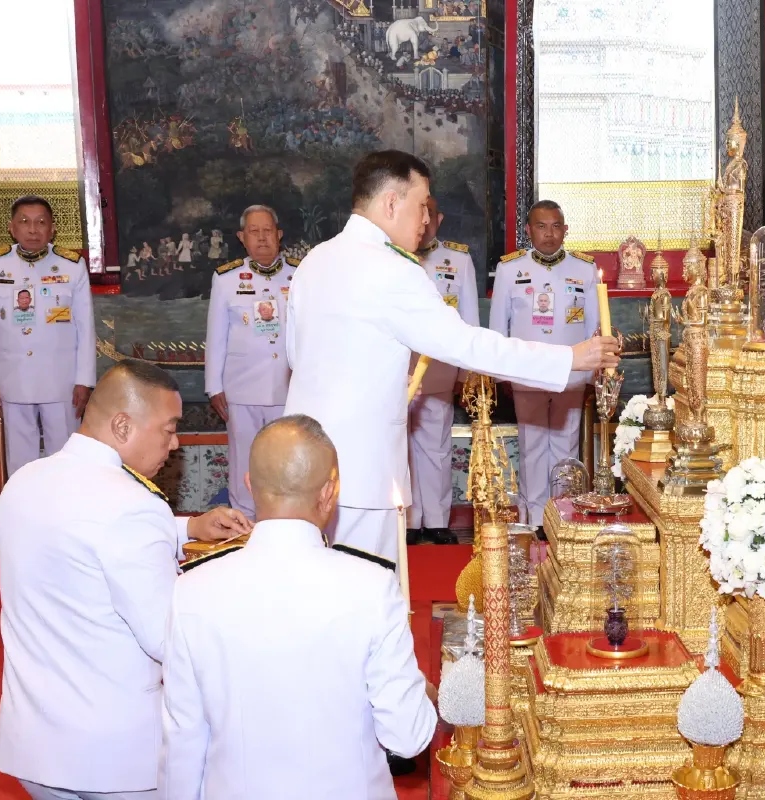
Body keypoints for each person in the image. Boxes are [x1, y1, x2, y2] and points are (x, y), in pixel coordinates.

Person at [285, 149, 619, 563]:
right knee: (368, 592)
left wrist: (388, 376)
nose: (426, 220)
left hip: (305, 466)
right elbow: (468, 345)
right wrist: (570, 358)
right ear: (392, 202)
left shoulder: (314, 261)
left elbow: (300, 357)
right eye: (422, 205)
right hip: (364, 472)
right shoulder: (393, 269)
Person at [0, 361, 252, 800]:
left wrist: (187, 527)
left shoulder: (25, 481)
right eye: (168, 429)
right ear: (123, 425)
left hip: (35, 751)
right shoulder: (131, 505)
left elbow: (81, 535)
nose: (176, 443)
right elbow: (169, 639)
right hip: (116, 763)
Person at [160, 415, 436, 799]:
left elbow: (183, 745)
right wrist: (423, 694)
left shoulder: (191, 589)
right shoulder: (370, 587)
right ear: (329, 492)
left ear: (249, 485)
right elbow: (408, 738)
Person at [488, 200, 600, 526]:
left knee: (566, 448)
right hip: (528, 373)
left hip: (572, 374)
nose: (549, 234)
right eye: (541, 226)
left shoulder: (584, 269)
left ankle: (563, 518)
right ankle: (535, 520)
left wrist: (594, 376)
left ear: (565, 230)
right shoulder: (510, 270)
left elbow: (594, 327)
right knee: (532, 447)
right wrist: (500, 377)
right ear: (528, 230)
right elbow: (498, 329)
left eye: (555, 226)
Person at [0, 195, 97, 477]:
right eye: (25, 222)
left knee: (66, 460)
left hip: (61, 382)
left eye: (41, 222)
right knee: (20, 466)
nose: (33, 229)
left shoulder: (71, 265)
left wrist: (84, 381)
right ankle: (25, 519)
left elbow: (85, 326)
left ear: (52, 228)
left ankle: (66, 519)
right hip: (12, 379)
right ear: (12, 228)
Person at [205, 205, 299, 520]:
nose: (262, 238)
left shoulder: (300, 275)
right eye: (254, 232)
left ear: (279, 235)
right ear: (242, 238)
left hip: (287, 388)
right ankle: (243, 527)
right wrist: (214, 387)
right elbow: (216, 337)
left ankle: (283, 523)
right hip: (241, 388)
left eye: (268, 231)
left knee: (285, 461)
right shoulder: (226, 279)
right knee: (243, 461)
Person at [406, 195, 478, 545]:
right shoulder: (393, 258)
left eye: (430, 213)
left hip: (438, 372)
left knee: (436, 448)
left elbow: (469, 321)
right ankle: (407, 519)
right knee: (399, 450)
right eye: (419, 211)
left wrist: (466, 374)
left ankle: (436, 520)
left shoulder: (458, 260)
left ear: (439, 217)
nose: (424, 219)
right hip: (399, 371)